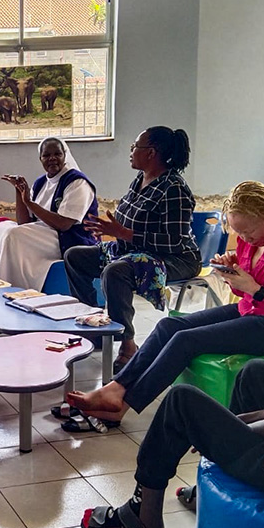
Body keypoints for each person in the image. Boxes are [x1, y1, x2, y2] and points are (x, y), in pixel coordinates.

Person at [79, 190, 264, 528]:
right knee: (255, 373)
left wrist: (225, 430)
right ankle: (208, 488)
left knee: (182, 403)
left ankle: (142, 520)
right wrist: (232, 428)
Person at [66, 181, 264, 425]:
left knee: (186, 340)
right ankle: (115, 389)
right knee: (169, 326)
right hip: (254, 310)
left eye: (249, 231)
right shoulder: (253, 239)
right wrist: (234, 277)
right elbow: (247, 293)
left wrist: (256, 290)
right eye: (238, 231)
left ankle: (123, 405)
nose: (245, 239)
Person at [64, 126, 202, 372]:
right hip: (135, 250)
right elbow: (129, 223)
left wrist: (124, 234)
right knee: (75, 256)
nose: (131, 152)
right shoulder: (141, 179)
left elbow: (174, 241)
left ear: (151, 153)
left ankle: (127, 343)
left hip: (176, 258)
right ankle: (94, 325)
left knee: (117, 271)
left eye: (135, 147)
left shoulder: (174, 189)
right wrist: (110, 230)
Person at [0, 137, 98, 290]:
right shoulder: (41, 183)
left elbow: (64, 224)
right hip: (45, 232)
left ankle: (10, 290)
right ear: (40, 159)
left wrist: (30, 203)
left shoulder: (77, 182)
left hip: (70, 237)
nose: (52, 158)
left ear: (64, 155)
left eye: (57, 154)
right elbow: (24, 222)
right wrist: (19, 192)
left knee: (13, 235)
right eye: (46, 155)